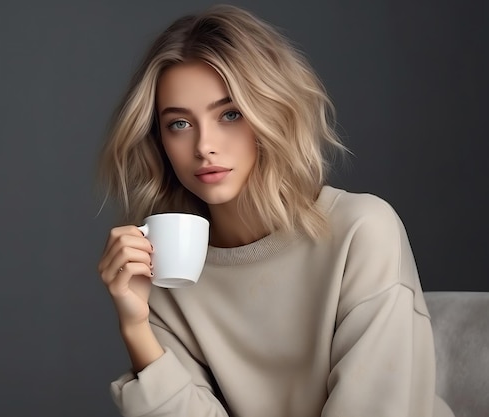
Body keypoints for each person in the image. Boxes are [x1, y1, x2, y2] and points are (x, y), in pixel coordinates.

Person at [96, 4, 454, 417]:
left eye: (230, 114)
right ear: (158, 140)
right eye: (179, 123)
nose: (204, 145)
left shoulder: (361, 232)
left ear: (272, 112)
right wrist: (135, 326)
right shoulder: (167, 269)